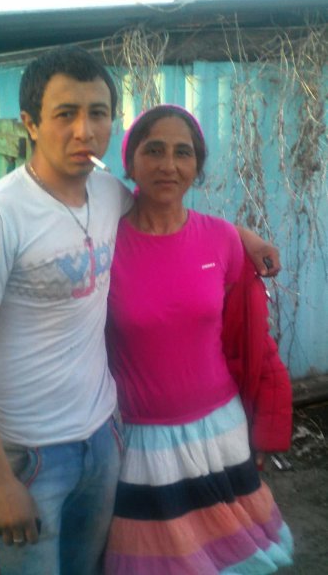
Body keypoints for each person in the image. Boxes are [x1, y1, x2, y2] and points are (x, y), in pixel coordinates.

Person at [0, 47, 281, 575]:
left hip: (104, 439)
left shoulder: (105, 194)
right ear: (30, 123)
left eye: (97, 113)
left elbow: (166, 211)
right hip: (29, 454)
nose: (84, 130)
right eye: (65, 114)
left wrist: (244, 237)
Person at [104, 104, 293, 574]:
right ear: (130, 162)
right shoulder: (102, 244)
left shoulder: (223, 240)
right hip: (143, 445)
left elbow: (251, 340)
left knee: (231, 558)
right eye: (154, 150)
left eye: (183, 153)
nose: (169, 165)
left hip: (220, 432)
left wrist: (265, 423)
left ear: (197, 165)